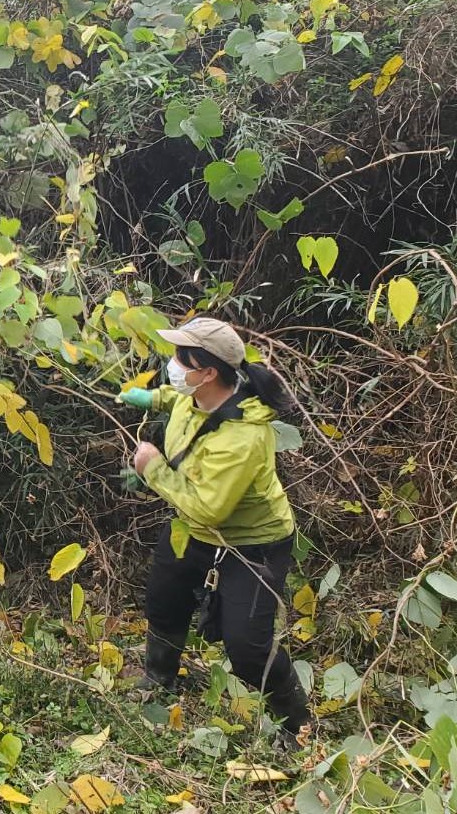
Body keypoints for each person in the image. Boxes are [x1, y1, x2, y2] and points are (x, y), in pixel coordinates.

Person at [117, 316, 312, 744]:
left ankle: (297, 724)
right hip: (191, 532)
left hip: (252, 546)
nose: (171, 364)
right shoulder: (199, 394)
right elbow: (178, 401)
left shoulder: (244, 437)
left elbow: (208, 509)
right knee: (164, 602)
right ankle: (160, 678)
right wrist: (149, 399)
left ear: (207, 372)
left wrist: (152, 470)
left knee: (247, 646)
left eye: (179, 358)